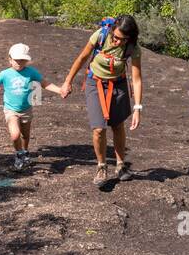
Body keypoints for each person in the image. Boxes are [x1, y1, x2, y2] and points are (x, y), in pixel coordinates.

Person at [61, 15, 144, 188]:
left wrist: (137, 108)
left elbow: (136, 79)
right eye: (115, 36)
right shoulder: (101, 35)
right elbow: (82, 58)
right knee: (98, 128)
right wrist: (68, 81)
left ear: (129, 38)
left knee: (117, 125)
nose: (117, 41)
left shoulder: (133, 48)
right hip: (95, 82)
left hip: (118, 84)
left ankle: (120, 166)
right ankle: (101, 166)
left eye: (121, 39)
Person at [0, 43, 64, 171]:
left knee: (25, 135)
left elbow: (44, 83)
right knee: (15, 135)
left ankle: (25, 152)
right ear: (10, 59)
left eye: (23, 60)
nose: (19, 63)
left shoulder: (31, 72)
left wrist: (60, 90)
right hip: (11, 109)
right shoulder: (5, 74)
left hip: (26, 109)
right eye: (16, 60)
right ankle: (19, 154)